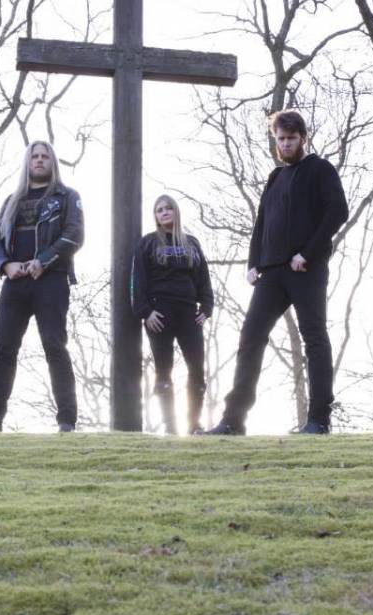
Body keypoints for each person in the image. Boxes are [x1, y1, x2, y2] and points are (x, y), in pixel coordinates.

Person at [204, 110, 349, 436]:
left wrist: (307, 253)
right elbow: (262, 222)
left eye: (291, 138)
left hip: (305, 268)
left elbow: (338, 211)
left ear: (303, 138)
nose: (285, 144)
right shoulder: (275, 177)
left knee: (314, 337)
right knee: (250, 336)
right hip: (270, 272)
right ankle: (232, 421)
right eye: (280, 139)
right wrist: (253, 263)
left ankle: (318, 420)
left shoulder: (320, 169)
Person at [0, 141, 84, 433]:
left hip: (50, 280)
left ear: (52, 162)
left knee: (54, 345)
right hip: (15, 283)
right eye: (34, 156)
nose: (39, 160)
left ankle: (66, 421)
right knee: (4, 349)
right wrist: (5, 265)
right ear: (28, 162)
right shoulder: (12, 200)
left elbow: (75, 234)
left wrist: (44, 260)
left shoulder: (67, 197)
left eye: (44, 156)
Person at [131, 194, 214, 435]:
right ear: (155, 216)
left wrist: (206, 309)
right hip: (159, 313)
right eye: (159, 210)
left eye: (168, 208)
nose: (164, 212)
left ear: (176, 212)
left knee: (197, 368)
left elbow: (204, 279)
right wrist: (146, 312)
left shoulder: (192, 243)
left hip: (189, 312)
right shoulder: (147, 243)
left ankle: (194, 425)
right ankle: (170, 427)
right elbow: (137, 281)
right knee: (163, 369)